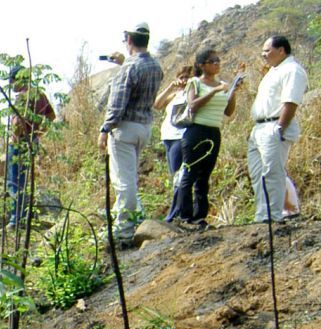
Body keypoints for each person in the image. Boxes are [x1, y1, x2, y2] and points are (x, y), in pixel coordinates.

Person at [98, 23, 164, 247]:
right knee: (130, 175)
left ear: (128, 40)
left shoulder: (129, 68)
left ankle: (124, 230)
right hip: (143, 127)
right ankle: (134, 219)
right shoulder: (156, 66)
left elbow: (117, 104)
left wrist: (105, 129)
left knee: (123, 181)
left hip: (125, 127)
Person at [172, 49, 243, 230]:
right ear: (202, 65)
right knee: (190, 173)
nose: (217, 64)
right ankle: (185, 216)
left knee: (205, 176)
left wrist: (232, 92)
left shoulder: (221, 84)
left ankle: (200, 216)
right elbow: (193, 105)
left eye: (218, 61)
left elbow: (228, 111)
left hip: (213, 130)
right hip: (196, 131)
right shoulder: (195, 82)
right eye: (212, 61)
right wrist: (214, 91)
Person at [247, 35, 308, 224]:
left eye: (267, 50)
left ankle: (273, 216)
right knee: (258, 174)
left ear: (281, 50)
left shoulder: (292, 70)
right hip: (260, 128)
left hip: (274, 126)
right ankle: (262, 215)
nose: (263, 55)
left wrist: (280, 127)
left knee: (272, 172)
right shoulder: (273, 72)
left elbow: (291, 101)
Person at [6, 68, 56, 227]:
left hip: (20, 143)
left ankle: (16, 218)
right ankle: (26, 216)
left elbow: (16, 124)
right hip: (32, 141)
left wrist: (15, 138)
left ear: (19, 79)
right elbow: (51, 116)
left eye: (12, 81)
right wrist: (38, 133)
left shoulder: (22, 97)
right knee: (26, 179)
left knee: (15, 181)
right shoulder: (39, 94)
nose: (11, 85)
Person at [154, 65, 194, 222]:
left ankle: (176, 212)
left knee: (180, 176)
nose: (184, 80)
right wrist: (171, 87)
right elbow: (157, 104)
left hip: (181, 136)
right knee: (175, 176)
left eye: (187, 77)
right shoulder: (175, 95)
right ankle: (181, 211)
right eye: (182, 77)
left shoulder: (192, 93)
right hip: (168, 136)